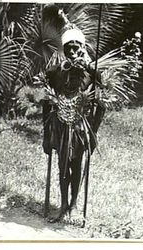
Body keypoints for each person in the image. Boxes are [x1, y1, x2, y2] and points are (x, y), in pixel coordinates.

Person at [42, 25, 105, 222]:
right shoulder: (56, 71)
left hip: (80, 127)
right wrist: (46, 135)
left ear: (83, 47)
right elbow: (46, 101)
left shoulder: (91, 73)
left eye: (77, 47)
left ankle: (74, 205)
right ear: (64, 48)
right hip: (61, 125)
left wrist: (93, 135)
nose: (72, 50)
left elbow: (101, 101)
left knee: (76, 164)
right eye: (69, 47)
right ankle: (63, 205)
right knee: (62, 165)